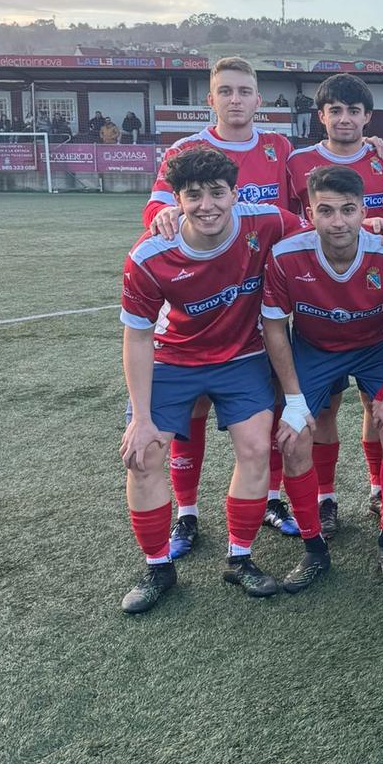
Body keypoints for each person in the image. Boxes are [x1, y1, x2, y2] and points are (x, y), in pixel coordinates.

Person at [117, 147, 299, 614]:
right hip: (172, 359)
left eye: (217, 193)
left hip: (242, 356)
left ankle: (240, 559)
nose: (207, 205)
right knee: (143, 454)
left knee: (258, 447)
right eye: (193, 195)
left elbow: (323, 232)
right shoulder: (149, 254)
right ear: (175, 200)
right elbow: (136, 339)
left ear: (235, 193)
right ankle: (158, 567)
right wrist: (139, 418)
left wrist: (380, 225)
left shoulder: (267, 223)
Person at [144, 58, 304, 548]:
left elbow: (304, 210)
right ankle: (187, 515)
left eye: (245, 91)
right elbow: (156, 210)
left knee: (271, 406)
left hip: (264, 302)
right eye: (226, 91)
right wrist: (170, 211)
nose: (236, 99)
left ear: (259, 100)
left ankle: (272, 498)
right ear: (210, 100)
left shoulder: (281, 148)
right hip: (202, 306)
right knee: (188, 411)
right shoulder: (187, 149)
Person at [261, 166, 383, 587]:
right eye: (326, 211)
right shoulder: (284, 257)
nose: (338, 221)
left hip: (374, 347)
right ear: (309, 213)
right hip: (314, 350)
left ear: (363, 210)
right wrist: (294, 401)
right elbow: (275, 329)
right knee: (292, 438)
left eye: (348, 210)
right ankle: (314, 549)